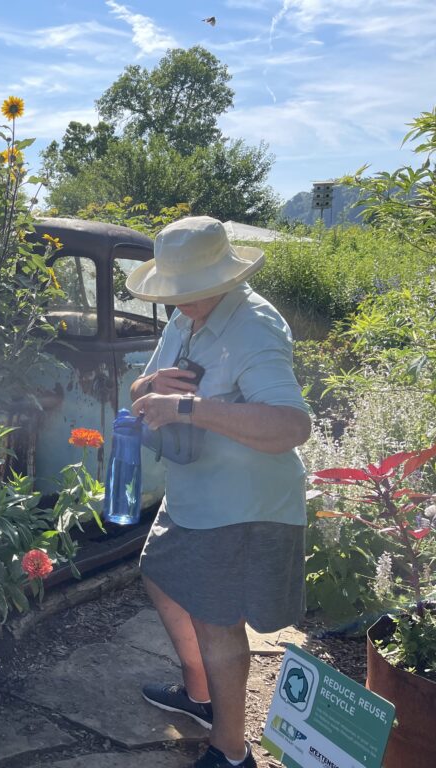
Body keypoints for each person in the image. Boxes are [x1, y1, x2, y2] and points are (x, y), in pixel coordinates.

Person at [126, 216, 312, 768]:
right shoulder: (187, 317)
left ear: (225, 276)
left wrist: (186, 408)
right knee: (160, 574)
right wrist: (151, 387)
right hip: (195, 493)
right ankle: (203, 696)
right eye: (175, 293)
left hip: (241, 501)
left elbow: (289, 426)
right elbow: (141, 389)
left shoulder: (253, 326)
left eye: (193, 292)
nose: (182, 304)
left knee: (216, 620)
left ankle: (231, 751)